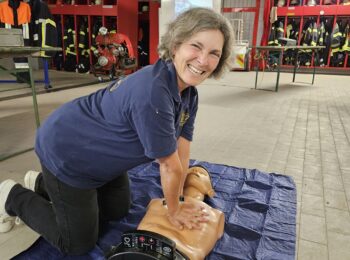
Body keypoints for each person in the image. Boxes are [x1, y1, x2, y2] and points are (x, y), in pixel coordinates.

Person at [0, 7, 233, 255]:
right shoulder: (154, 92)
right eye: (195, 46)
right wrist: (174, 209)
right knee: (78, 243)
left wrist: (181, 200)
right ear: (175, 45)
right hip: (68, 152)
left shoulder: (189, 94)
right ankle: (12, 196)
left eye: (214, 53)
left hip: (101, 157)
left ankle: (39, 182)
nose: (203, 60)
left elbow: (181, 151)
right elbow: (168, 165)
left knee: (116, 211)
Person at [138, 166, 225, 260]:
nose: (195, 171)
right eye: (190, 170)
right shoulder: (156, 201)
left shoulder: (217, 214)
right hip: (140, 248)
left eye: (202, 173)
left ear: (210, 189)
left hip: (180, 255)